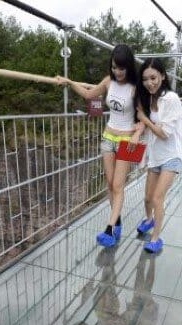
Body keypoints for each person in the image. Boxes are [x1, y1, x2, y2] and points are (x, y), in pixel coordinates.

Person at [56, 44, 143, 248]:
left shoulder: (136, 88)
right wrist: (69, 82)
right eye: (114, 67)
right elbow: (89, 95)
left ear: (129, 67)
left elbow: (142, 116)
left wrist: (137, 133)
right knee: (109, 183)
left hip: (126, 141)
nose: (117, 72)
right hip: (108, 137)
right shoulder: (108, 81)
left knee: (118, 185)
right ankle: (117, 219)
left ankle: (110, 228)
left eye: (121, 68)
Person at [134, 58, 182, 254]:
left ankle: (156, 238)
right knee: (147, 198)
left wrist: (144, 119)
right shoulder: (148, 97)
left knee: (157, 198)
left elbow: (165, 133)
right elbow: (144, 125)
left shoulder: (171, 99)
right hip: (155, 154)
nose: (150, 83)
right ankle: (149, 220)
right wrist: (139, 129)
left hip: (171, 154)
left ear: (163, 76)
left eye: (154, 78)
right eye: (146, 79)